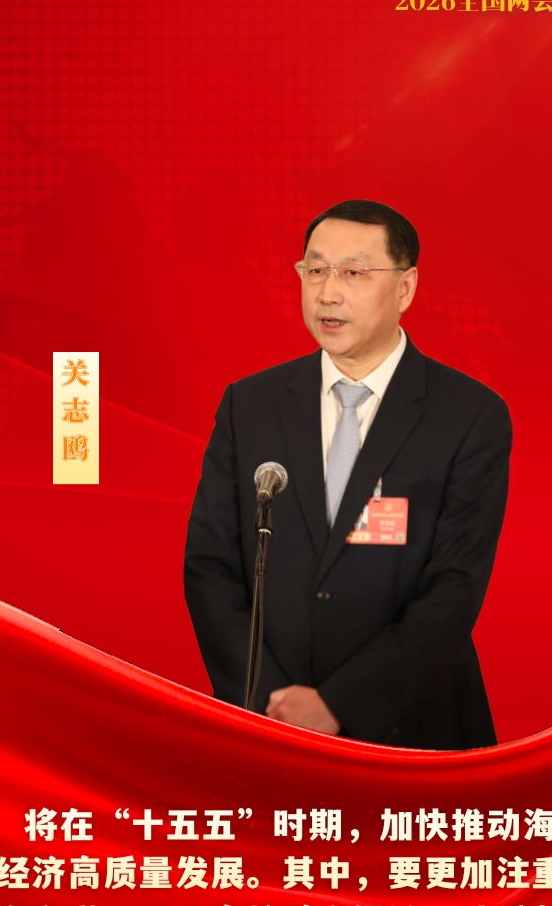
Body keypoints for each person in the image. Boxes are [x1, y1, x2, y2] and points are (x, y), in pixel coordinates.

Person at [184, 200, 512, 749]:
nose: (328, 293)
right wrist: (270, 697)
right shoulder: (251, 405)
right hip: (268, 725)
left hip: (415, 731)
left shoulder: (468, 414)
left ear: (405, 288)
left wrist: (339, 705)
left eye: (354, 273)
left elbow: (454, 588)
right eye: (315, 270)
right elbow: (210, 568)